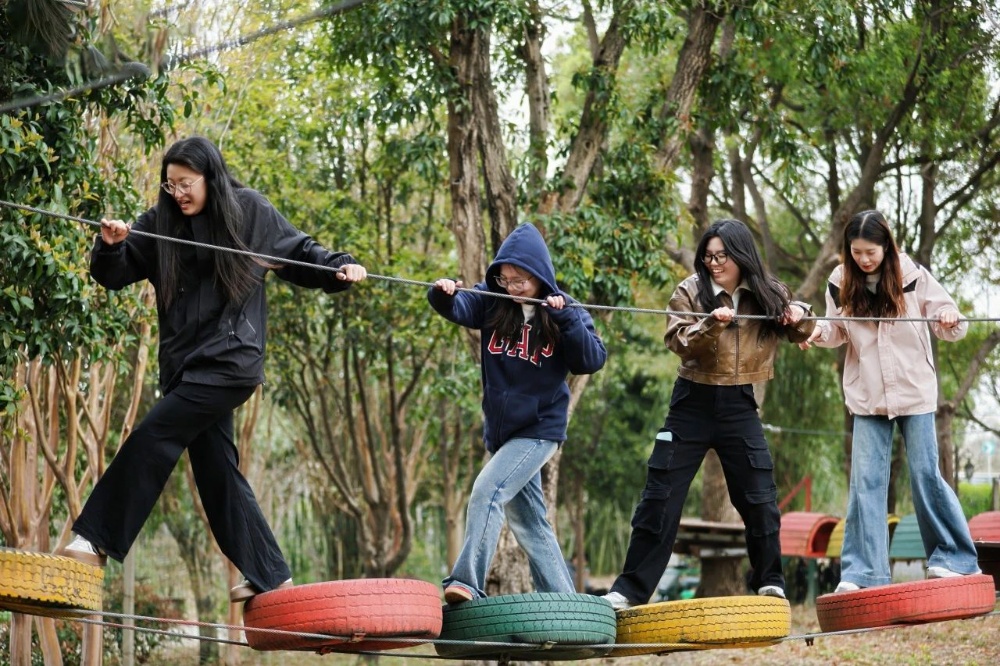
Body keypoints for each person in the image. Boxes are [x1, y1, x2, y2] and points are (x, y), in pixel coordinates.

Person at [58, 136, 367, 603]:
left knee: (154, 436)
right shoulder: (160, 221)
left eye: (186, 183)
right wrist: (109, 247)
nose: (177, 193)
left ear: (211, 176)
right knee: (216, 470)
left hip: (230, 361)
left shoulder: (249, 211)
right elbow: (114, 274)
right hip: (185, 368)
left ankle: (96, 538)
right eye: (170, 184)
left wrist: (339, 266)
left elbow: (299, 252)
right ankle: (271, 573)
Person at [603, 219, 814, 610]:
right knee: (660, 496)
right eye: (708, 256)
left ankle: (769, 581)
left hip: (739, 404)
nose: (713, 263)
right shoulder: (689, 291)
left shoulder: (768, 292)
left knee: (759, 498)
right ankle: (629, 590)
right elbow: (678, 342)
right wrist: (711, 325)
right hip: (692, 402)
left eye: (722, 256)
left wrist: (800, 313)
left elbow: (800, 331)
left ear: (741, 256)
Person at [799, 209, 981, 592]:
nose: (864, 259)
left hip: (914, 392)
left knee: (925, 474)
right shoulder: (839, 281)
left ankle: (955, 559)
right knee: (865, 482)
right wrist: (816, 331)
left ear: (886, 247)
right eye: (857, 252)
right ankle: (864, 573)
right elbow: (837, 330)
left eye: (871, 252)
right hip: (867, 395)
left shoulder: (912, 275)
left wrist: (948, 316)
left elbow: (953, 324)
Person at [428, 223, 607, 603]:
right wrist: (443, 294)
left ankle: (465, 581)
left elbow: (591, 360)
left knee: (487, 490)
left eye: (521, 280)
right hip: (503, 433)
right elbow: (460, 306)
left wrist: (565, 319)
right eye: (506, 279)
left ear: (540, 275)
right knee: (530, 523)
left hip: (540, 429)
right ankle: (565, 603)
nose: (513, 287)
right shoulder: (492, 302)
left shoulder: (564, 310)